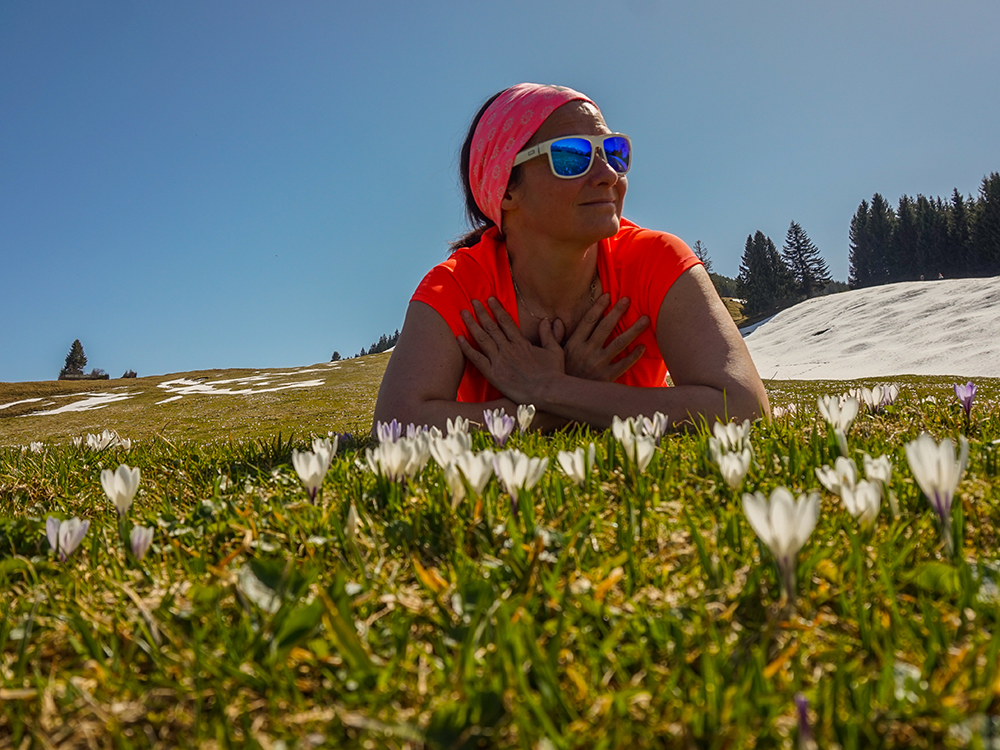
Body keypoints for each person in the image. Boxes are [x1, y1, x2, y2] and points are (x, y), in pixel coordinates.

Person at [373, 83, 769, 432]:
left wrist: (552, 388)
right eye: (571, 157)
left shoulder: (658, 259)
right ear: (506, 190)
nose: (608, 175)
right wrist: (561, 404)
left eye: (613, 152)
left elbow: (743, 406)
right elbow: (397, 423)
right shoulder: (457, 285)